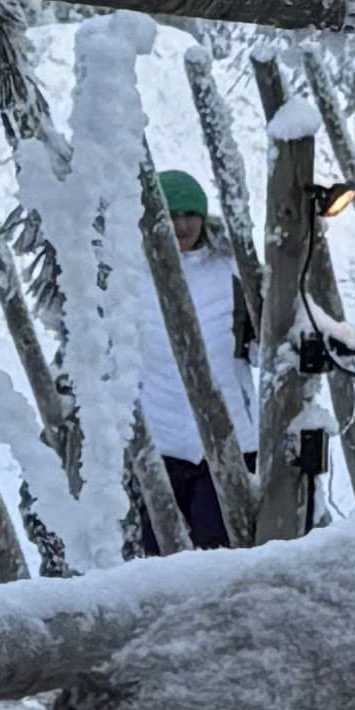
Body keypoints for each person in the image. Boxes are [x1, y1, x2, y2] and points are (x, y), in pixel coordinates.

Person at [138, 171, 252, 553]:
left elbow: (262, 345)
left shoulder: (233, 270)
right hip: (161, 440)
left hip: (227, 435)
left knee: (223, 550)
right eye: (171, 214)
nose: (182, 224)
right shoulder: (130, 275)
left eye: (191, 213)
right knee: (159, 557)